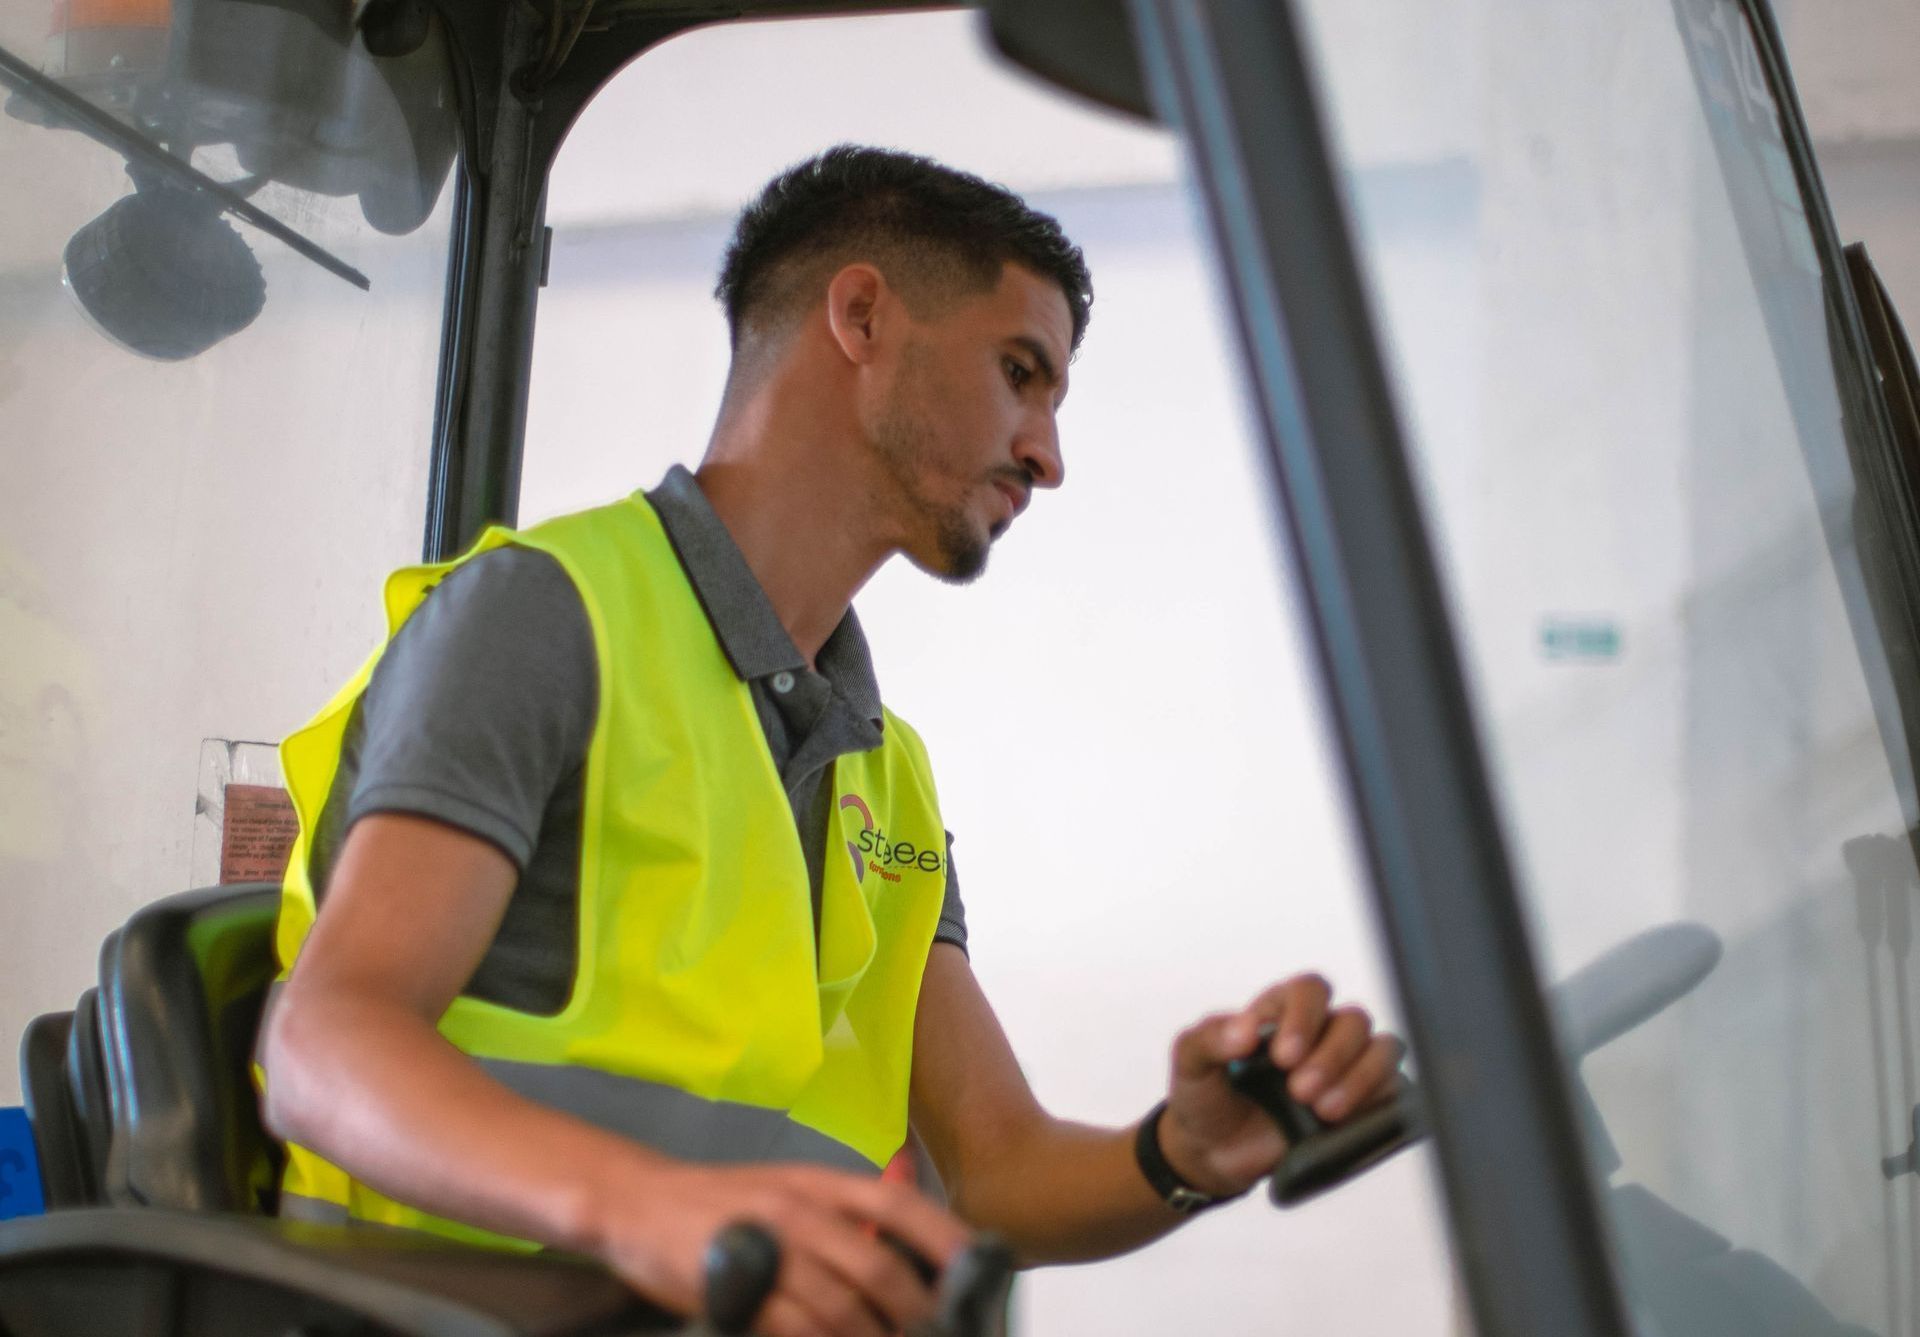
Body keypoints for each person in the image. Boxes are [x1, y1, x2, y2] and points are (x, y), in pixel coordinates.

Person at [260, 145, 1403, 1337]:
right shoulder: (545, 619)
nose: (1048, 457)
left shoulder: (881, 768)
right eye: (1022, 375)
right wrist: (666, 1218)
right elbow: (326, 1044)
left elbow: (998, 1163)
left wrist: (1184, 1153)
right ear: (860, 314)